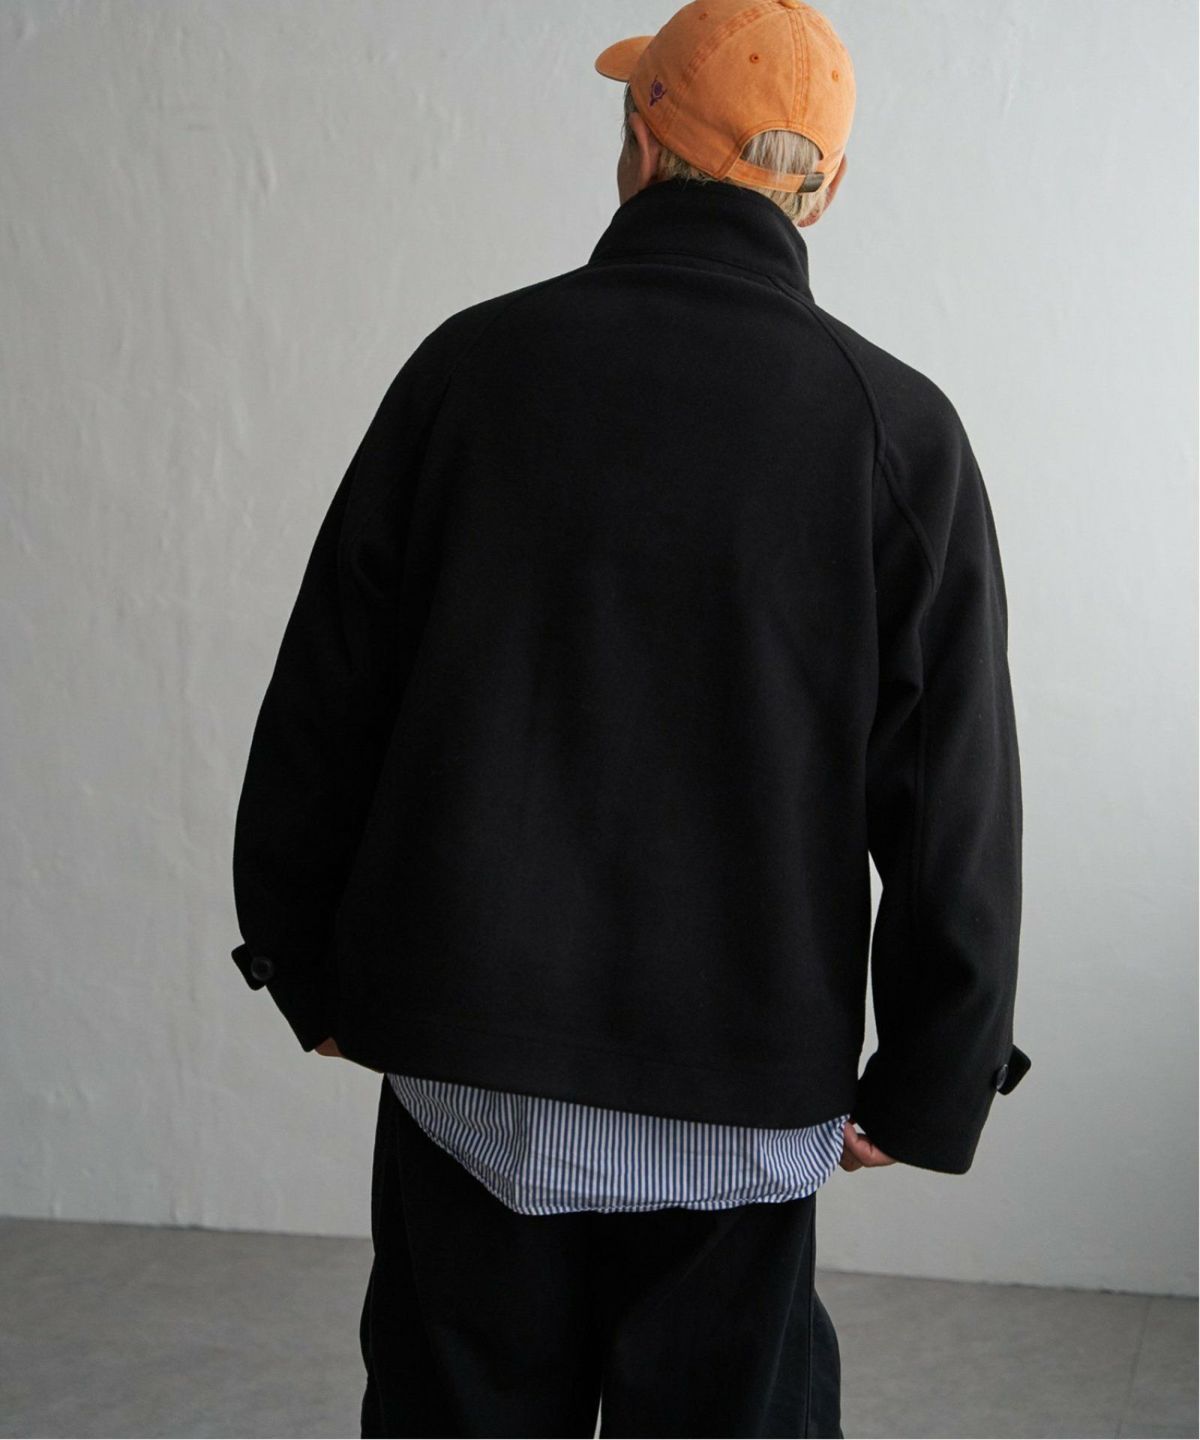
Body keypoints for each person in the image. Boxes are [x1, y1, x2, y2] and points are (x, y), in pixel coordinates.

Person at [228, 1, 1031, 1434]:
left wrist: (303, 957)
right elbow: (950, 795)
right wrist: (932, 1075)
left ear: (640, 143)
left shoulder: (470, 368)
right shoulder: (895, 431)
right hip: (744, 1098)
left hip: (469, 1063)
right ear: (821, 192)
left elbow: (328, 696)